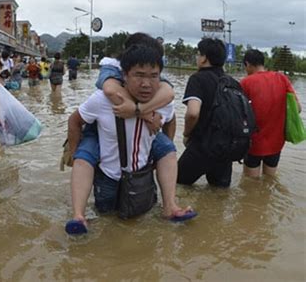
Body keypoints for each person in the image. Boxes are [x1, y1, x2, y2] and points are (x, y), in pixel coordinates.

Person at [66, 39, 196, 234]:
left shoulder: (163, 103)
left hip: (141, 178)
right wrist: (74, 152)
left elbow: (171, 120)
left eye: (153, 76)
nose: (146, 84)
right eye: (139, 75)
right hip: (108, 178)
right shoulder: (102, 100)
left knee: (141, 223)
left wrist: (160, 154)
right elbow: (74, 121)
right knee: (105, 222)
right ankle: (79, 216)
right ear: (124, 75)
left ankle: (170, 207)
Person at [177, 38, 234, 187]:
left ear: (204, 58)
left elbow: (193, 113)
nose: (197, 57)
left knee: (174, 184)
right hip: (226, 149)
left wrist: (186, 134)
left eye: (198, 54)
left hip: (203, 145)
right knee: (219, 195)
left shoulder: (198, 78)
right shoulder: (231, 82)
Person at [240, 49, 301, 177]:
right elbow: (298, 108)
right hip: (276, 143)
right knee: (270, 181)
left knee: (250, 186)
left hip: (253, 144)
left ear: (247, 64)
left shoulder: (246, 82)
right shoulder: (282, 78)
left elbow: (239, 113)